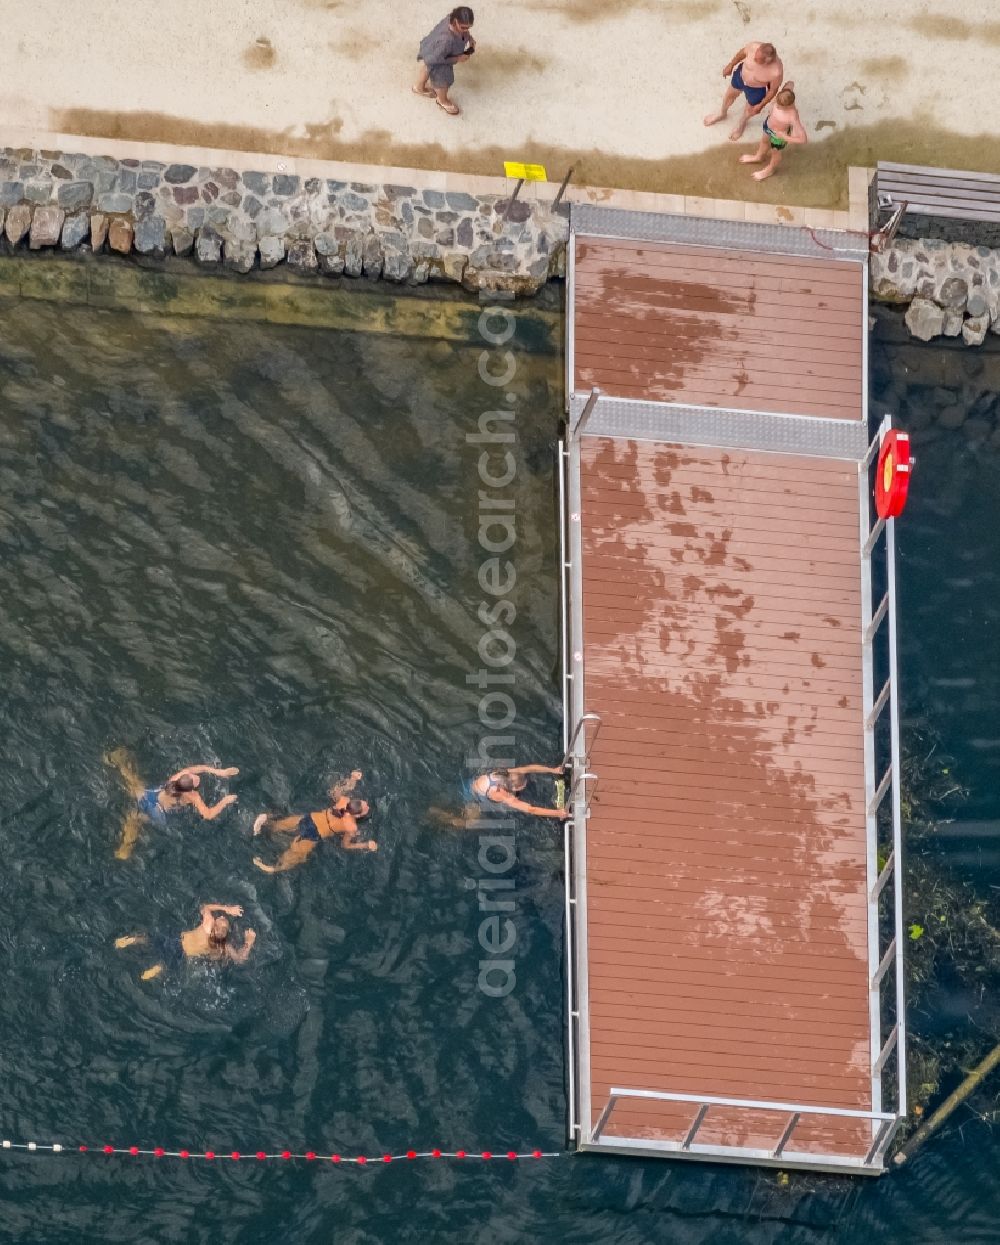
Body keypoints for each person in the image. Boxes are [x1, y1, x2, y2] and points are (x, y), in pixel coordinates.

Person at [106, 747, 239, 860]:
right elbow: (208, 815)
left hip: (152, 796)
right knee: (139, 819)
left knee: (135, 784)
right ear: (191, 789)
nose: (196, 777)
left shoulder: (177, 778)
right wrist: (225, 801)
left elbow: (200, 768)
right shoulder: (193, 796)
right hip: (159, 812)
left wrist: (220, 772)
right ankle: (124, 851)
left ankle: (115, 760)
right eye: (195, 780)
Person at [252, 770, 377, 873]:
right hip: (313, 835)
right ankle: (272, 869)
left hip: (308, 819)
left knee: (278, 826)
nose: (368, 807)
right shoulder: (352, 827)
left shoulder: (344, 800)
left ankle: (263, 826)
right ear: (359, 814)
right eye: (366, 808)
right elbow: (345, 845)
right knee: (293, 857)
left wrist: (353, 778)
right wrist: (365, 845)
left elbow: (335, 791)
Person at [114, 903, 256, 980]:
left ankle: (132, 940)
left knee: (149, 938)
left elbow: (204, 907)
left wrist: (226, 908)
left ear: (215, 926)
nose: (222, 917)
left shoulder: (208, 925)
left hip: (176, 940)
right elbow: (240, 959)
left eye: (222, 918)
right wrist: (249, 941)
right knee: (167, 967)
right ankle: (156, 969)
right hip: (182, 954)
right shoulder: (224, 946)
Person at [432, 763, 569, 828]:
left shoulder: (507, 773)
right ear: (514, 788)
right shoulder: (501, 794)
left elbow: (528, 768)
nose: (526, 785)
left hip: (471, 782)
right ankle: (446, 818)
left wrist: (553, 770)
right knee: (472, 823)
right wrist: (558, 813)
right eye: (523, 786)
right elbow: (530, 809)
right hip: (472, 796)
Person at [704, 41, 784, 141]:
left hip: (756, 89)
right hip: (740, 77)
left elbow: (772, 91)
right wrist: (731, 65)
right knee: (729, 96)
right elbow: (741, 54)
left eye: (757, 60)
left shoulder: (775, 71)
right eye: (755, 55)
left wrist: (761, 105)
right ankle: (722, 113)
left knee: (749, 110)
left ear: (766, 62)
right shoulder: (753, 47)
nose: (754, 58)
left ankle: (741, 124)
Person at [413, 6, 476, 117]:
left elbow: (431, 59)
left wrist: (469, 38)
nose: (466, 30)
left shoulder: (450, 19)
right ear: (456, 22)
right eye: (464, 27)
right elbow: (436, 59)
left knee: (428, 66)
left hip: (430, 48)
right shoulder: (447, 40)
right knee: (443, 81)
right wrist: (458, 58)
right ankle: (442, 100)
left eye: (469, 28)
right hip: (439, 59)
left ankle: (419, 87)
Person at [739, 83, 807, 181]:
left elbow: (803, 139)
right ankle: (759, 156)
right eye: (777, 103)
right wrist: (786, 90)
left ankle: (770, 169)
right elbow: (790, 84)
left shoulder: (792, 116)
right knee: (764, 141)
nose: (777, 106)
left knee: (775, 153)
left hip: (779, 136)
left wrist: (784, 137)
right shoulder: (781, 97)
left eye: (779, 107)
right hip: (768, 126)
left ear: (788, 106)